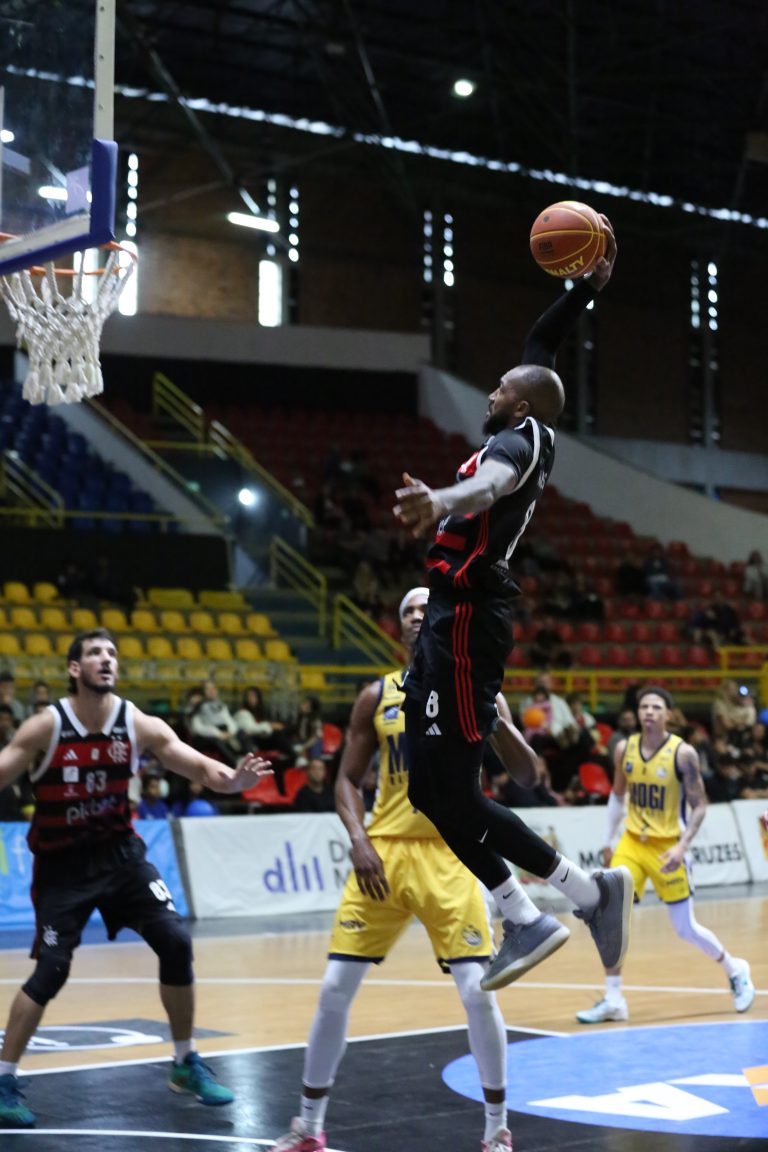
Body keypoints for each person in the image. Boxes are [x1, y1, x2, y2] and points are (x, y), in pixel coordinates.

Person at [392, 222, 634, 994]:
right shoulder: (528, 421)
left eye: (499, 387)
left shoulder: (517, 443)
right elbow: (541, 340)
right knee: (430, 792)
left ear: (521, 402)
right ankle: (556, 904)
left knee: (455, 793)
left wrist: (441, 499)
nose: (490, 393)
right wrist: (583, 290)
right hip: (449, 621)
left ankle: (560, 903)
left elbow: (488, 489)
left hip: (466, 622)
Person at [274, 588, 533, 1152]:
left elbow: (529, 776)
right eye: (408, 610)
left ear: (443, 618)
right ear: (400, 628)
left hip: (453, 853)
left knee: (478, 993)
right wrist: (358, 838)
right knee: (333, 989)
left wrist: (497, 720)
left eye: (426, 607)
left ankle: (497, 1130)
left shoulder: (477, 689)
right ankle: (308, 1127)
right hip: (385, 856)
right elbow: (347, 779)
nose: (418, 615)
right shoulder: (376, 695)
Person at [0, 628, 271, 1129]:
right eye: (94, 653)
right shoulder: (46, 727)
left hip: (121, 858)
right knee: (51, 970)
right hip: (63, 867)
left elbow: (194, 763)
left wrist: (234, 780)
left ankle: (185, 1062)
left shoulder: (137, 723)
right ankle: (3, 1079)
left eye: (112, 653)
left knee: (176, 940)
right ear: (74, 669)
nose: (106, 659)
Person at [575, 685, 755, 1024]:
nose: (649, 711)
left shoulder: (683, 754)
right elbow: (617, 796)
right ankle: (614, 999)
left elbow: (700, 805)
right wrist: (607, 839)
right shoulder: (624, 749)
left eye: (656, 707)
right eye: (644, 706)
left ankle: (735, 969)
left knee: (685, 928)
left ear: (668, 714)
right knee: (611, 915)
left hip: (668, 845)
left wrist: (682, 846)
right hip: (632, 842)